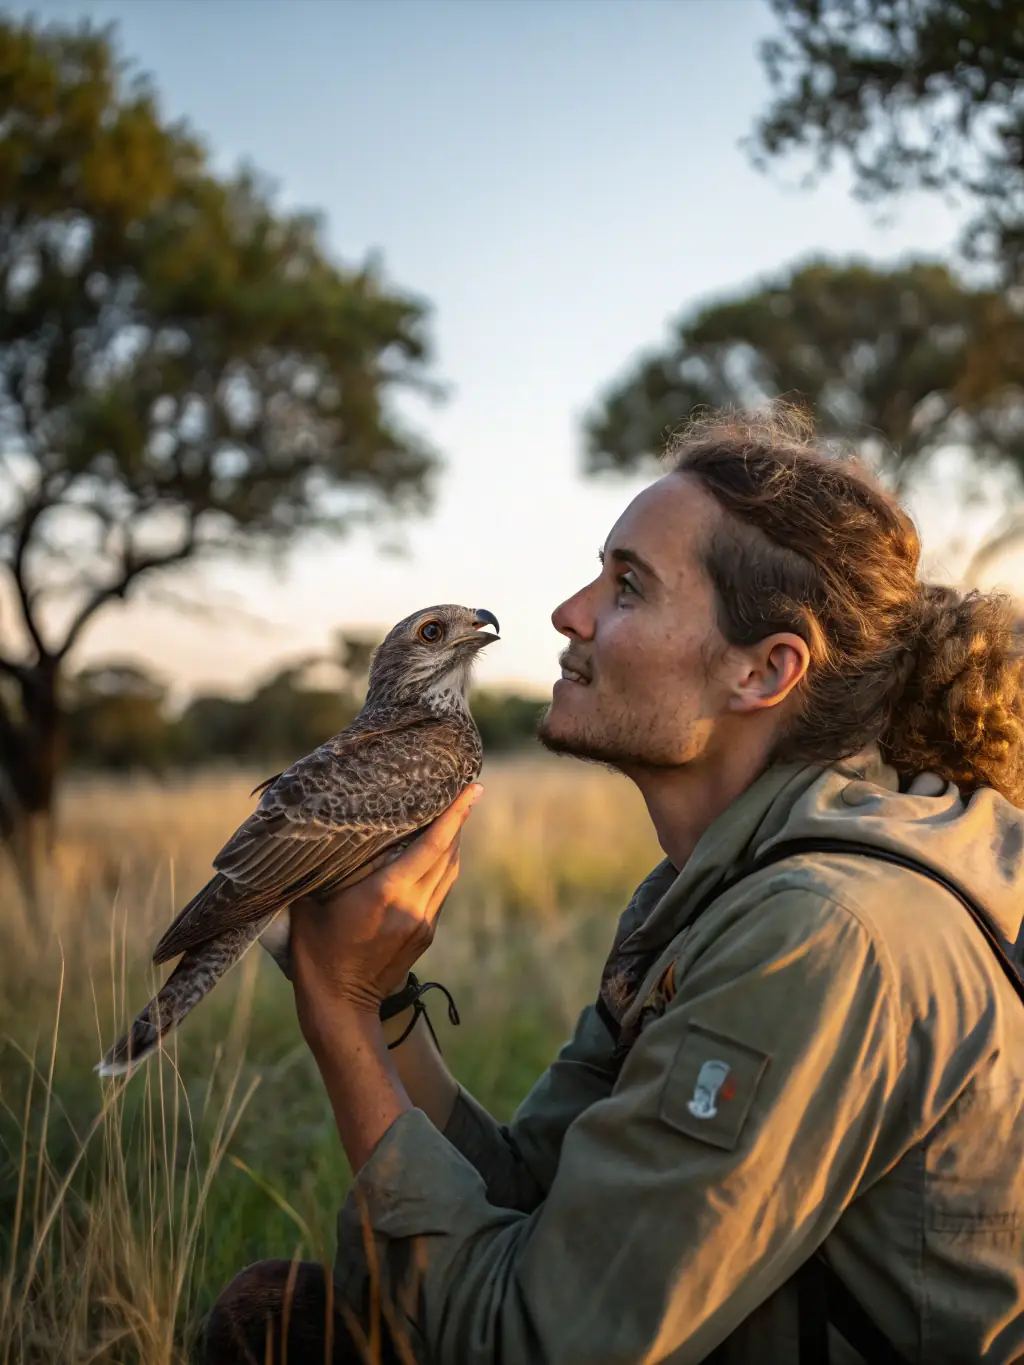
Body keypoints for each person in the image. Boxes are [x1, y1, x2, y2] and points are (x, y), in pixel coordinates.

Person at [203, 408, 1024, 1365]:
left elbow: (538, 1343)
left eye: (627, 586)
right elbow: (529, 1192)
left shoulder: (819, 931)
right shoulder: (705, 889)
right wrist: (380, 1001)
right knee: (277, 1319)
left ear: (764, 669)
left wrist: (337, 1016)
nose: (569, 613)